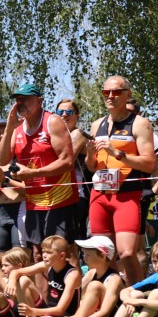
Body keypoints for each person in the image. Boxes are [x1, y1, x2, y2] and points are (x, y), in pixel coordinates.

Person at [85, 76, 156, 285]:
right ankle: (113, 294)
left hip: (127, 194)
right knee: (103, 255)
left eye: (116, 92)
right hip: (100, 194)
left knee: (126, 252)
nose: (110, 96)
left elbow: (149, 164)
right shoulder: (97, 124)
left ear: (128, 94)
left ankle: (136, 294)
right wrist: (89, 154)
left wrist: (117, 153)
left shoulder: (139, 123)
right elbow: (91, 167)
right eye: (106, 92)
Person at [0, 83, 78, 257]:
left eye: (25, 99)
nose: (20, 103)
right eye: (18, 100)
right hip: (34, 201)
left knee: (63, 254)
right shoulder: (17, 128)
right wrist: (9, 128)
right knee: (39, 254)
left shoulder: (52, 121)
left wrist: (33, 173)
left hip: (59, 199)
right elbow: (2, 160)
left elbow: (68, 161)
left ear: (39, 101)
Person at [49, 236, 125, 317]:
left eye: (88, 255)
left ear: (102, 256)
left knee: (94, 285)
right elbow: (83, 300)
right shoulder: (91, 273)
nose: (84, 258)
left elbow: (105, 312)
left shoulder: (114, 279)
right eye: (84, 254)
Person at [0, 121, 24, 255]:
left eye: (6, 132)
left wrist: (7, 180)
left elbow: (28, 190)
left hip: (20, 209)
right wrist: (0, 182)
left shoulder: (21, 157)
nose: (2, 135)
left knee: (20, 255)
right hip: (0, 211)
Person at [55, 98, 89, 238]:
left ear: (77, 116)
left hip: (76, 195)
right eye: (60, 112)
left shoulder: (77, 134)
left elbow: (65, 161)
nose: (64, 115)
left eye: (69, 112)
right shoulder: (55, 137)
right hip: (58, 194)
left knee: (69, 241)